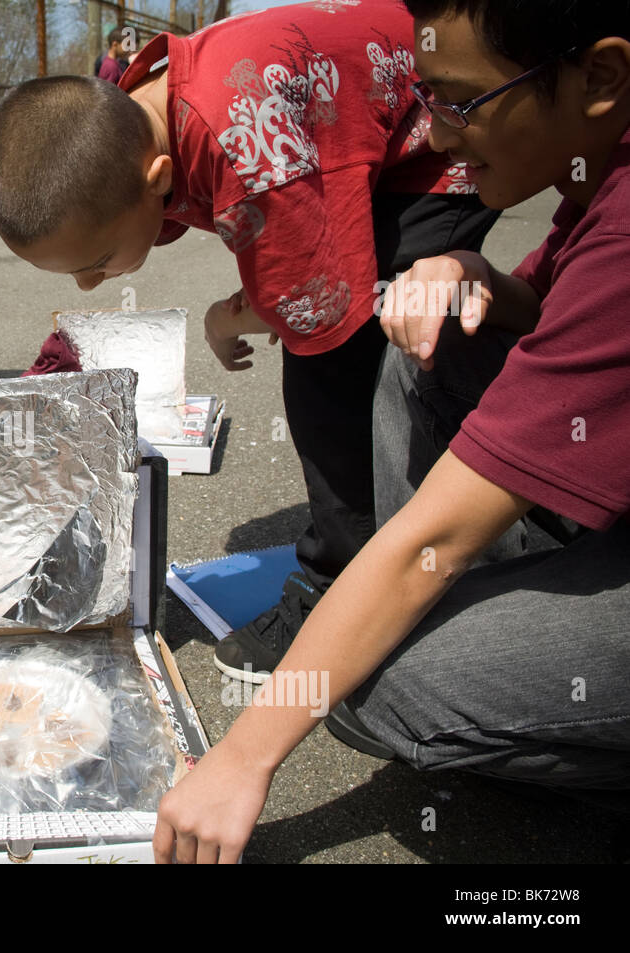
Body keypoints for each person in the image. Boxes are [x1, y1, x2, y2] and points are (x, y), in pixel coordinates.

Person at [153, 0, 630, 864]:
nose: (439, 140)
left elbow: (430, 541)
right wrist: (468, 265)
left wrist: (243, 756)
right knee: (429, 332)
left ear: (599, 77)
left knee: (379, 686)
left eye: (460, 102)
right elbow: (548, 305)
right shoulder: (597, 171)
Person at [0, 0, 499, 685]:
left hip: (438, 146)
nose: (87, 288)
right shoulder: (141, 109)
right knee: (354, 336)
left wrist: (226, 320)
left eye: (97, 261)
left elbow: (320, 295)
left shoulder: (246, 145)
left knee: (332, 365)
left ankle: (340, 585)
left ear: (159, 181)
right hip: (362, 140)